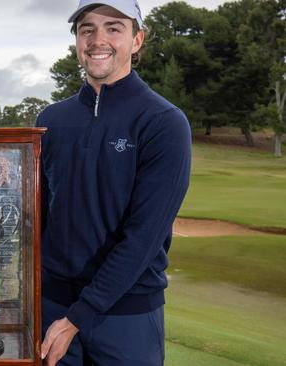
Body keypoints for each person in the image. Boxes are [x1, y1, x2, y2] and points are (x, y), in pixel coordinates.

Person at [36, 0, 191, 365]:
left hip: (127, 317)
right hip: (52, 307)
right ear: (76, 40)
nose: (97, 39)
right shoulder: (50, 120)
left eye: (114, 28)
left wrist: (78, 316)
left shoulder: (164, 122)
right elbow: (39, 216)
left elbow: (143, 238)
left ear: (136, 40)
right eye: (86, 29)